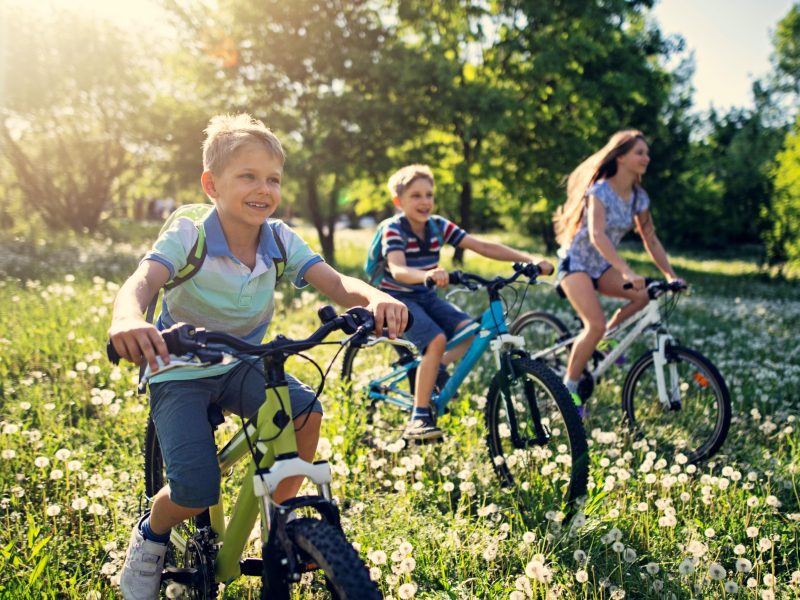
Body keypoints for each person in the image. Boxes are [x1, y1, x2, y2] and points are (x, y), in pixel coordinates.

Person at [108, 113, 408, 600]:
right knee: (194, 490)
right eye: (247, 176)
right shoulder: (190, 233)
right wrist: (127, 319)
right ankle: (151, 534)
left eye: (272, 179)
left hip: (244, 361)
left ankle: (276, 527)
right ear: (212, 184)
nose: (263, 188)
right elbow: (142, 282)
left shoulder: (280, 238)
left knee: (306, 412)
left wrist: (373, 298)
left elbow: (335, 282)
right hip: (179, 365)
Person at [379, 164, 553, 441]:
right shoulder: (393, 229)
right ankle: (419, 417)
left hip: (426, 294)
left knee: (471, 332)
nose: (425, 201)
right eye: (416, 196)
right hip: (396, 298)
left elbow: (482, 246)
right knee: (435, 339)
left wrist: (527, 259)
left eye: (429, 195)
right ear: (399, 201)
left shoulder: (437, 225)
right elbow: (398, 270)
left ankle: (435, 367)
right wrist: (427, 275)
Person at [552, 129, 683, 417]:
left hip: (602, 267)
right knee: (594, 324)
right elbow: (598, 236)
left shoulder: (638, 197)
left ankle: (605, 344)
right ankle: (568, 394)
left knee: (643, 297)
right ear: (621, 156)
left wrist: (670, 274)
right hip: (577, 264)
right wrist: (625, 270)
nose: (646, 158)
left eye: (647, 153)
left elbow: (650, 238)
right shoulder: (599, 191)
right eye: (639, 152)